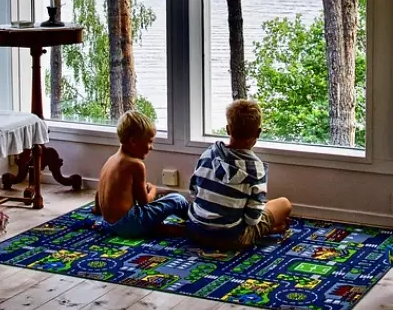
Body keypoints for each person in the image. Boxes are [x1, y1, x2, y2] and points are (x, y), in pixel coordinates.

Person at [187, 99, 292, 249]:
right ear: (259, 132)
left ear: (228, 129)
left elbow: (193, 191)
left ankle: (272, 227)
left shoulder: (209, 153)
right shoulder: (255, 169)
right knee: (284, 204)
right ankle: (271, 228)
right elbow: (252, 219)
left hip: (195, 230)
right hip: (231, 239)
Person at [93, 109, 188, 238]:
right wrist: (153, 190)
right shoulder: (135, 165)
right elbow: (145, 203)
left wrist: (98, 210)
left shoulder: (111, 161)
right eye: (149, 141)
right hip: (129, 224)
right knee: (177, 199)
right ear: (133, 141)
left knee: (158, 205)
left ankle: (158, 228)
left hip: (109, 224)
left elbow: (99, 194)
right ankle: (198, 222)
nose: (151, 147)